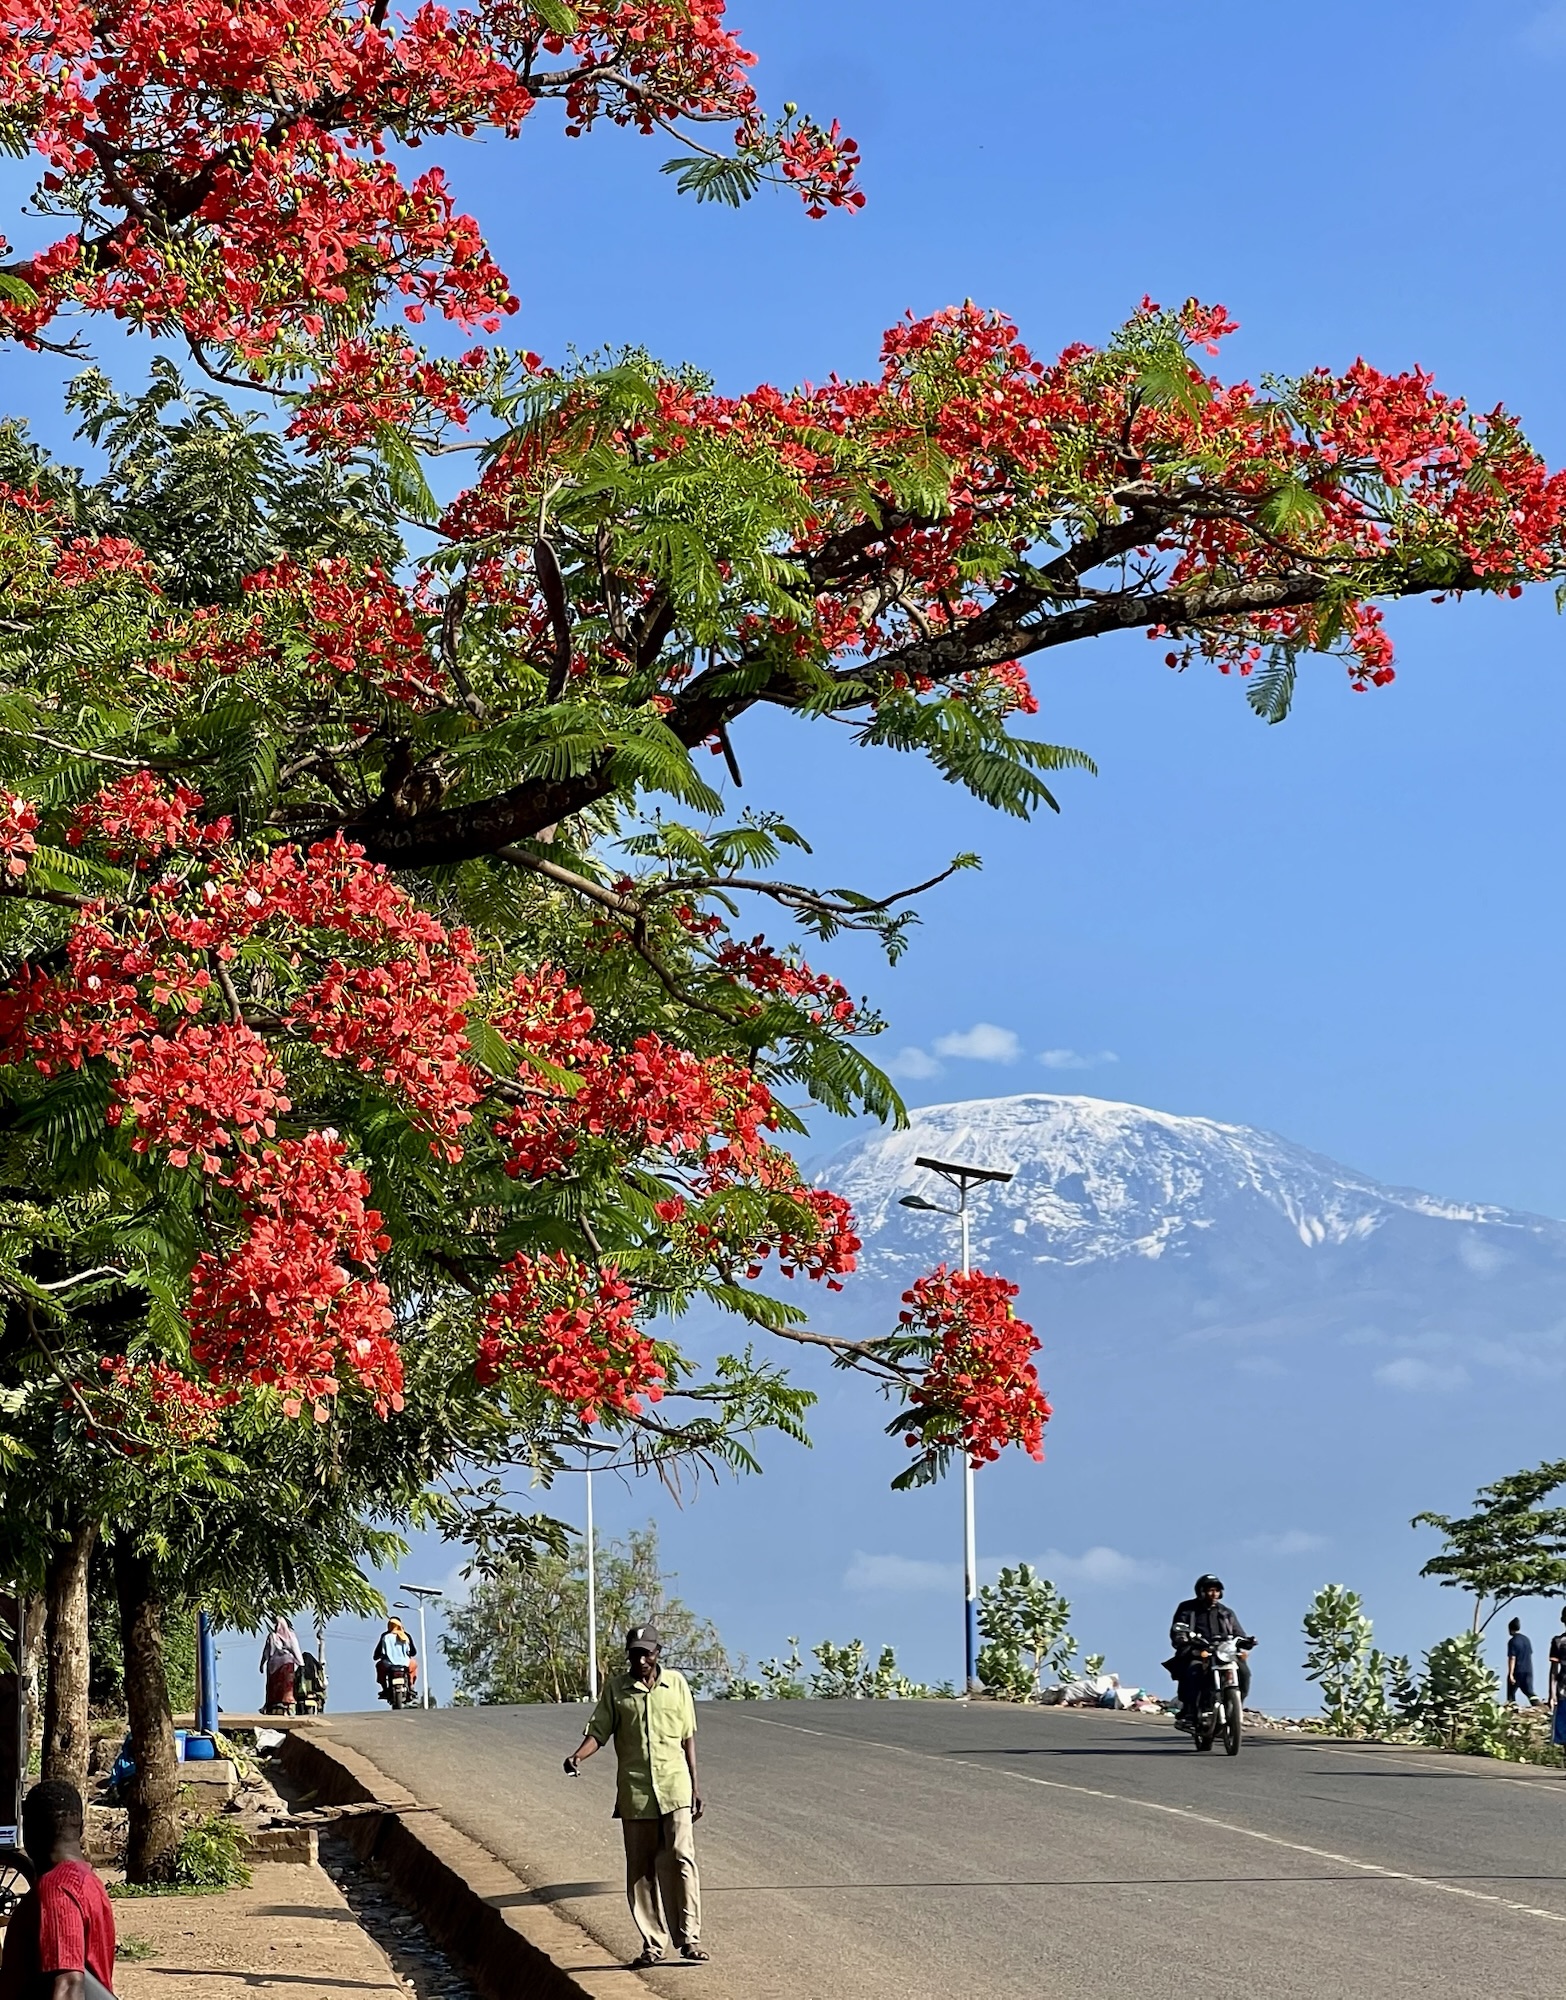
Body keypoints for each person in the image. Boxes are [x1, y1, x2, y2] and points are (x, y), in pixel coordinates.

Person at [564, 1625, 707, 1970]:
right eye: (635, 1654)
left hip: (676, 1788)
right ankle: (653, 1943)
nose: (641, 1660)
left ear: (659, 1653)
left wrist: (696, 1786)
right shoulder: (617, 1691)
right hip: (636, 1791)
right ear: (628, 1655)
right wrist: (578, 1756)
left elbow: (687, 1738)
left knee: (680, 1857)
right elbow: (599, 1731)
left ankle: (689, 1939)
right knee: (641, 1870)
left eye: (648, 1653)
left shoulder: (676, 1686)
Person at [0, 1779, 116, 2000]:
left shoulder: (56, 1889)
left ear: (29, 1830)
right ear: (81, 1829)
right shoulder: (90, 1882)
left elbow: (69, 1985)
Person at [1167, 1574, 1255, 1729]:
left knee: (1244, 1673)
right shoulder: (1187, 1609)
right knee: (1193, 1672)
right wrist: (1183, 1638)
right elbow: (1178, 1629)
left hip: (1223, 1654)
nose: (1214, 1594)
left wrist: (1247, 1641)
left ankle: (1235, 1710)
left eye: (1217, 1591)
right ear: (1201, 1591)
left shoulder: (1226, 1612)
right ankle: (1191, 1713)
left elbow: (1238, 1633)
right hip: (1199, 1652)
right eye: (1210, 1590)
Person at [259, 1614, 305, 1715]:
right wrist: (301, 1663)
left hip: (274, 1665)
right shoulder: (289, 1636)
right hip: (286, 1664)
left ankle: (272, 1703)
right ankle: (284, 1702)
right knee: (286, 1685)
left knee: (275, 1685)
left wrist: (262, 1664)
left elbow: (266, 1652)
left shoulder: (273, 1637)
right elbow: (295, 1649)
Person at [373, 1618, 416, 1697]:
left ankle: (384, 1688)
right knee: (414, 1665)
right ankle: (411, 1685)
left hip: (389, 1664)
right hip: (405, 1663)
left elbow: (382, 1651)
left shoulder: (385, 1636)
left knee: (379, 1666)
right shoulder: (405, 1636)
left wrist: (378, 1656)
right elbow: (412, 1651)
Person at [1506, 1617, 1536, 1705]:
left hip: (1518, 1671)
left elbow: (1512, 1658)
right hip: (1528, 1670)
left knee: (1511, 1694)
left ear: (1510, 1629)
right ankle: (1540, 1707)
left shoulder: (1512, 1641)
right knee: (1530, 1692)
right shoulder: (1527, 1640)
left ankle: (1512, 1710)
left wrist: (1511, 1674)